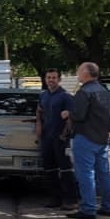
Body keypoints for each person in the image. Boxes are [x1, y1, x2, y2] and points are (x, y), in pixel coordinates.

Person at [61, 62, 110, 219]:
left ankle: (88, 208)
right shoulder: (105, 92)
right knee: (104, 173)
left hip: (85, 137)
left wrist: (67, 113)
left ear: (86, 73)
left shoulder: (84, 92)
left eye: (79, 70)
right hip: (102, 137)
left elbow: (79, 115)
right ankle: (109, 206)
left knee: (85, 174)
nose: (77, 73)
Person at [36, 68, 76, 209]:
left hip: (61, 138)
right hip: (47, 137)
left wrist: (66, 132)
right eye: (48, 77)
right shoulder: (43, 95)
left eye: (54, 77)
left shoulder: (65, 96)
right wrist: (38, 127)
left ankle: (71, 200)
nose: (51, 80)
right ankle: (55, 198)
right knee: (50, 169)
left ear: (59, 79)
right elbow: (39, 112)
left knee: (65, 169)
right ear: (45, 79)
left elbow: (72, 116)